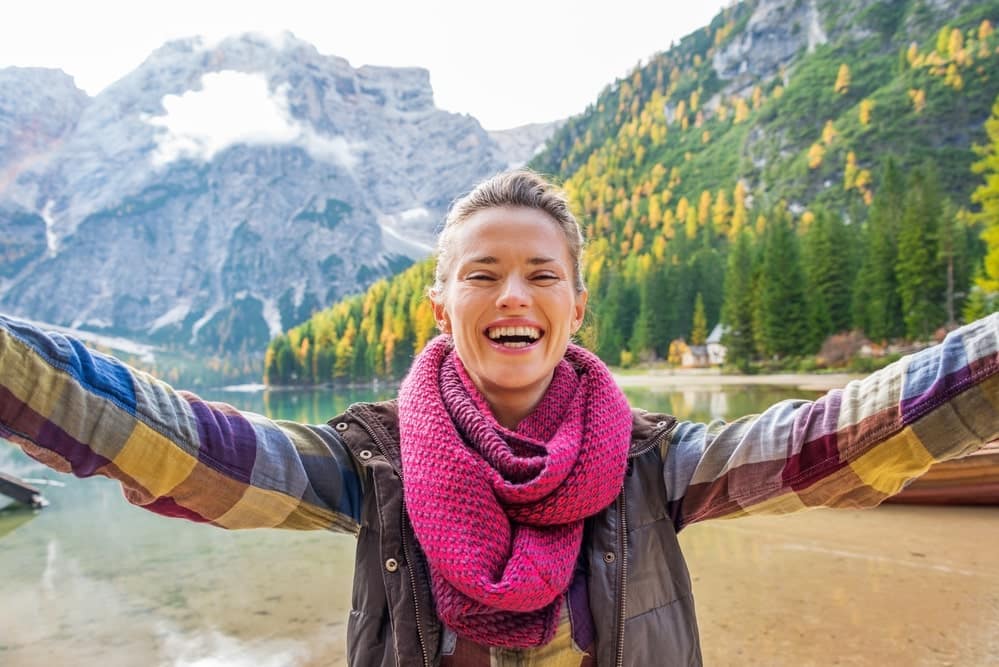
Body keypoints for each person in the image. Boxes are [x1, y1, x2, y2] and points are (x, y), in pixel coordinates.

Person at [0, 169, 997, 667]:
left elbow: (831, 441)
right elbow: (198, 453)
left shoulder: (657, 462)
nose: (511, 294)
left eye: (540, 275)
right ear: (444, 306)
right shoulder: (372, 462)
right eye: (482, 274)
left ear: (576, 307)